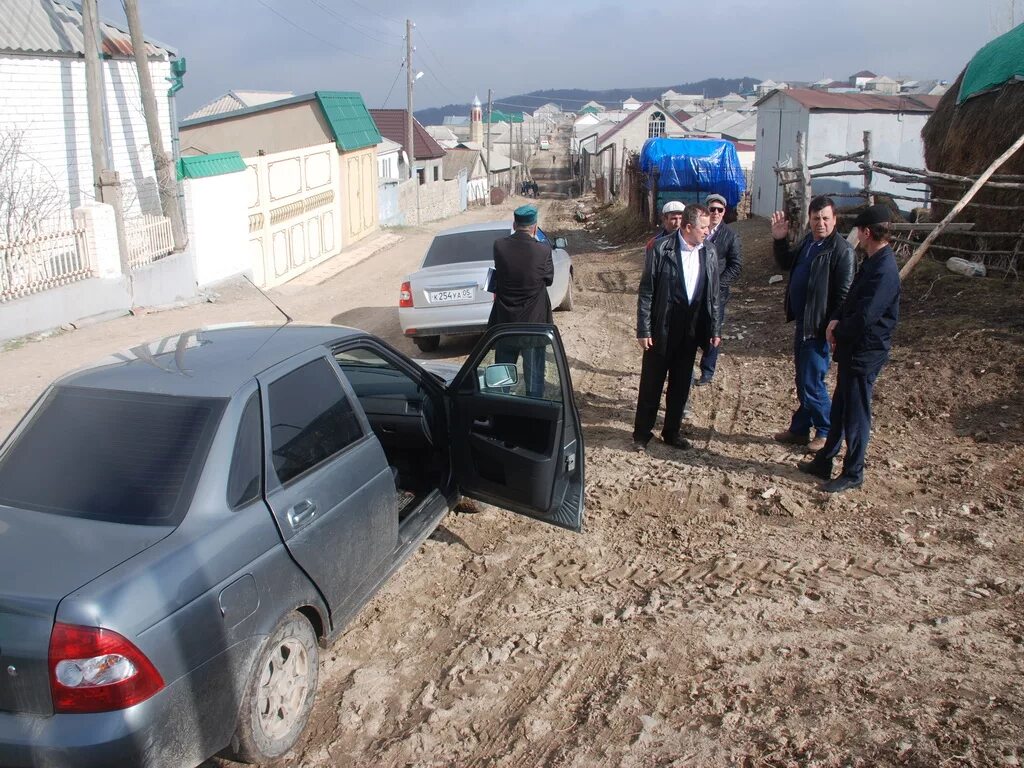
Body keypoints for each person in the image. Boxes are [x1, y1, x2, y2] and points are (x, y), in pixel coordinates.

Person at [799, 204, 901, 493]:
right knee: (841, 407)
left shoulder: (885, 269)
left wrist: (839, 331)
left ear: (867, 232)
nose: (856, 235)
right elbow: (852, 298)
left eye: (858, 230)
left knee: (856, 414)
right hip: (853, 349)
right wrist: (835, 320)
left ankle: (853, 472)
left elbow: (867, 316)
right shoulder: (872, 261)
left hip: (865, 352)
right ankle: (825, 460)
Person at [632, 204, 722, 452]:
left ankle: (672, 432)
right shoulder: (662, 248)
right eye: (704, 227)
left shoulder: (709, 252)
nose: (708, 230)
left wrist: (714, 328)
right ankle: (641, 434)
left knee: (681, 384)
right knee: (652, 383)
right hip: (662, 328)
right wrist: (644, 328)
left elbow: (714, 295)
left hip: (691, 330)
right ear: (689, 227)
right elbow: (647, 291)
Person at [770, 196, 854, 452]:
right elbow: (786, 264)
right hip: (803, 323)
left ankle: (827, 429)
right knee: (803, 378)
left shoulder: (841, 251)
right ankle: (799, 429)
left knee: (812, 381)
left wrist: (833, 325)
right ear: (810, 218)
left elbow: (844, 294)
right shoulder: (809, 242)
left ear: (835, 219)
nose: (821, 223)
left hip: (820, 328)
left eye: (825, 218)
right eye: (816, 218)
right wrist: (780, 240)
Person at [489, 204, 554, 397]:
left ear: (514, 224)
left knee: (501, 381)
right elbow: (548, 280)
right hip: (533, 327)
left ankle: (499, 415)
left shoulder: (499, 245)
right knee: (534, 382)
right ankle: (532, 418)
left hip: (505, 325)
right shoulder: (542, 250)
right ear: (534, 227)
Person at [695, 193, 742, 386]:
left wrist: (718, 285)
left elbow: (736, 265)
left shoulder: (730, 236)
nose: (715, 213)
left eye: (719, 210)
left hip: (717, 295)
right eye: (712, 209)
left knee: (713, 330)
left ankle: (707, 370)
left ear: (724, 213)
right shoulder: (698, 232)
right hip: (695, 291)